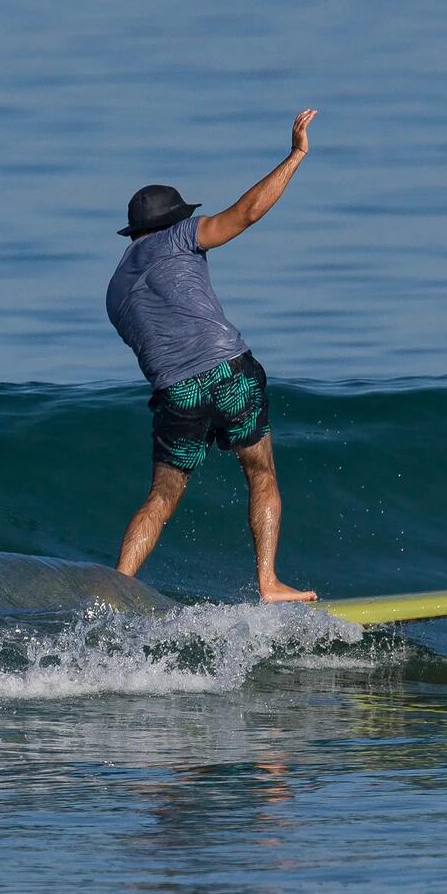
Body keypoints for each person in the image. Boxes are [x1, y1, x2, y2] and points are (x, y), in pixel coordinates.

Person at [106, 109, 319, 602]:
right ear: (171, 222)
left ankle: (117, 590)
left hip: (176, 393)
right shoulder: (180, 237)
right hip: (229, 372)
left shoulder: (114, 291)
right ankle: (268, 582)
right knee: (260, 471)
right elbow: (244, 214)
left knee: (160, 499)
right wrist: (295, 155)